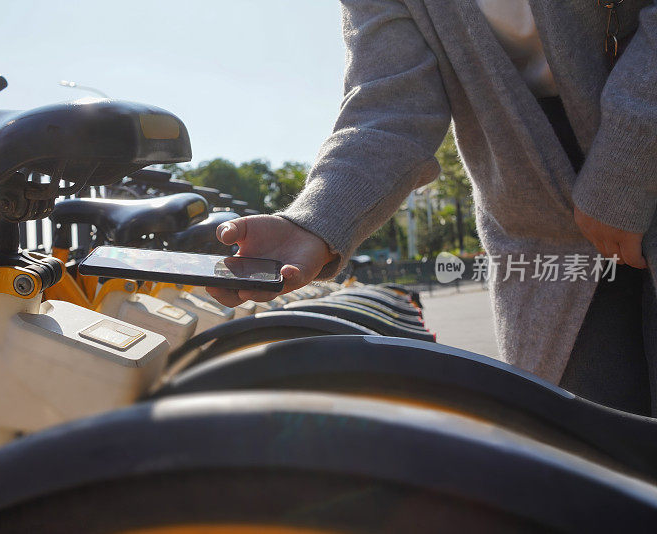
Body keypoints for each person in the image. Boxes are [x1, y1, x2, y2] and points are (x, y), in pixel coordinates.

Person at [206, 0, 657, 415]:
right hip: (542, 238)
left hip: (643, 148)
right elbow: (391, 103)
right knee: (592, 455)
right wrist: (314, 223)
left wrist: (625, 169)